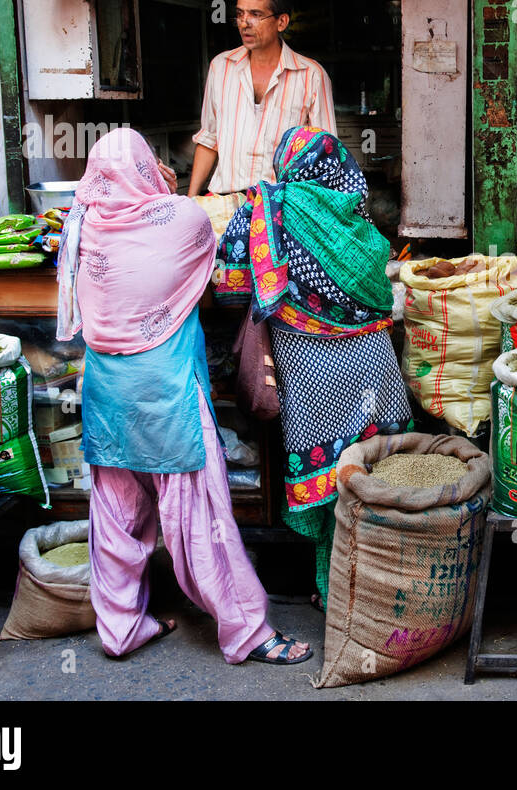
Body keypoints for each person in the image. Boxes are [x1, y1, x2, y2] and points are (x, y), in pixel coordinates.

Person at [58, 127, 311, 665]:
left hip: (106, 393)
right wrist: (172, 189)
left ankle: (120, 629)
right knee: (203, 518)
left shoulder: (81, 223)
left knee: (116, 516)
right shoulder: (182, 220)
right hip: (166, 391)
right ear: (148, 165)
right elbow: (203, 237)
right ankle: (248, 633)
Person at [216, 126, 411, 610]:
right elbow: (380, 291)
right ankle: (376, 590)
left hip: (308, 373)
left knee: (326, 482)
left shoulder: (264, 211)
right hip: (373, 369)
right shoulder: (357, 217)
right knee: (375, 477)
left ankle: (333, 592)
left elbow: (230, 289)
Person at [189, 0, 336, 198]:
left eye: (256, 15)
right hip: (225, 201)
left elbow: (325, 151)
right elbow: (209, 140)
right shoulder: (221, 67)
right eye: (240, 14)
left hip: (282, 205)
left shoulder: (311, 75)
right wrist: (192, 200)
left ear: (281, 22)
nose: (245, 23)